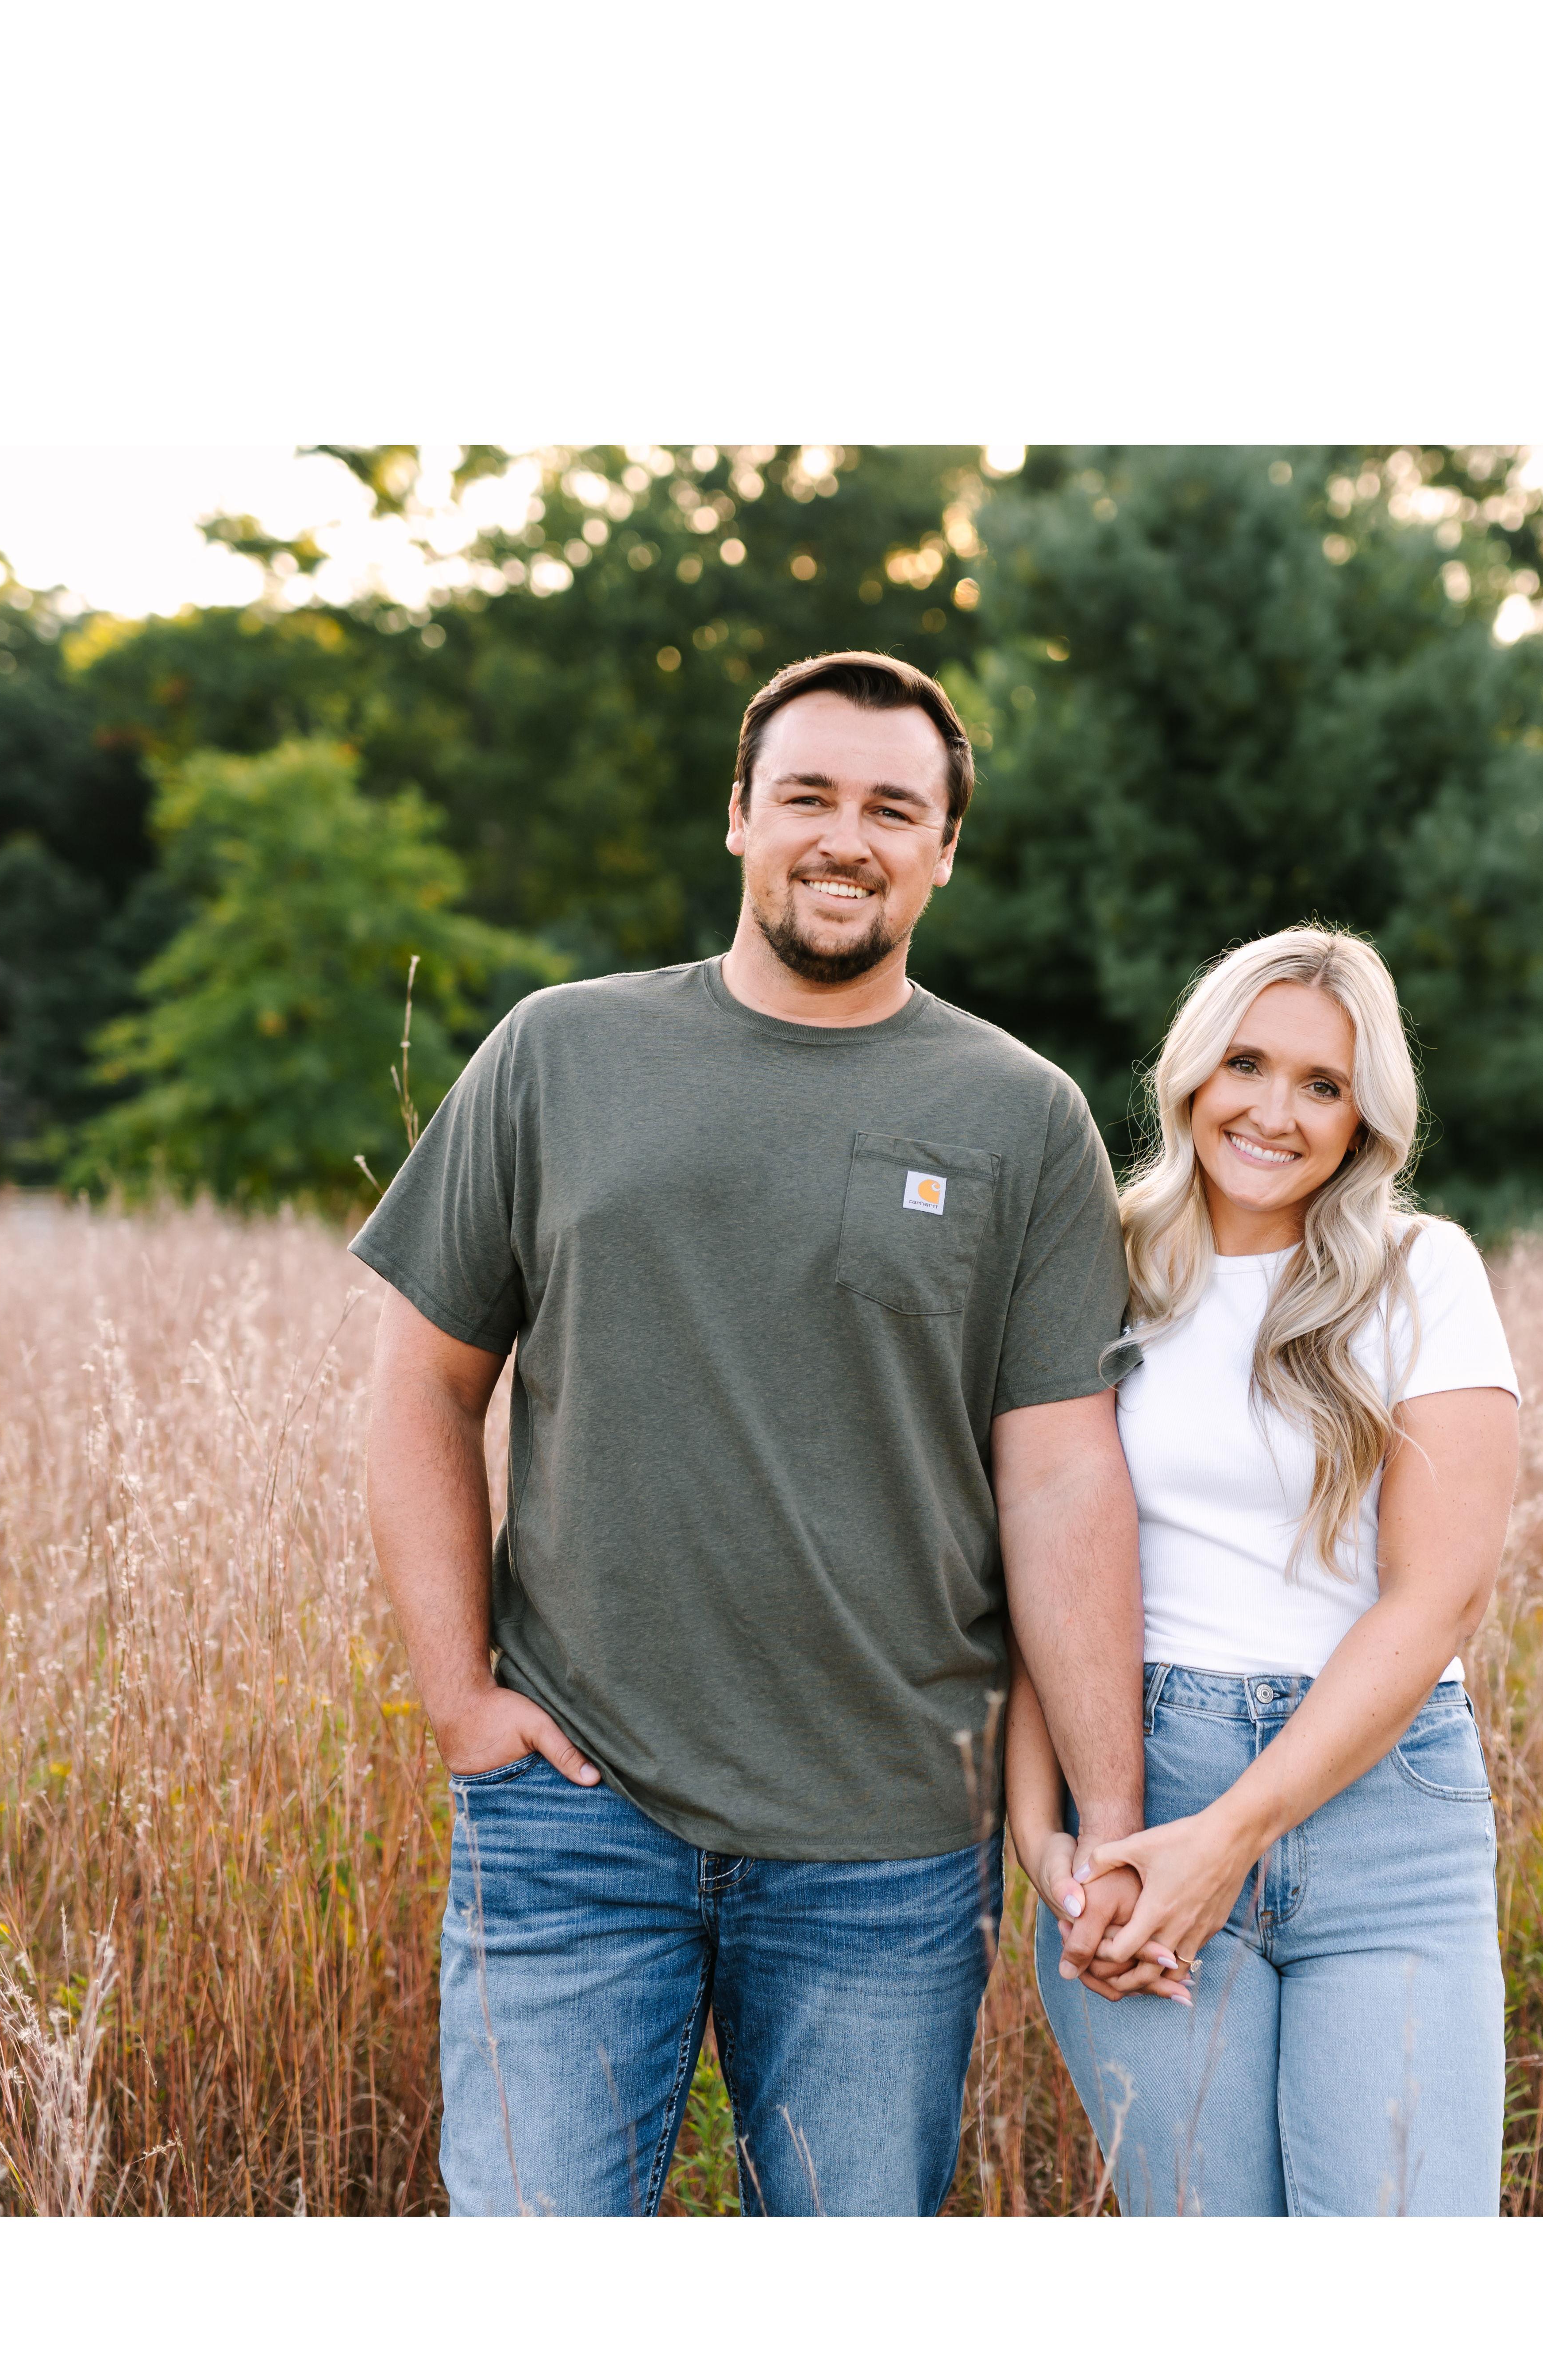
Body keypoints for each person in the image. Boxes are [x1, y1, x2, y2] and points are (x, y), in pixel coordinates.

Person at [356, 650, 1160, 2218]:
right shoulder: (559, 1053)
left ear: (945, 849)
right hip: (577, 1822)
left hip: (889, 1846)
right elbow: (420, 1387)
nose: (845, 838)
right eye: (808, 796)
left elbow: (1065, 1476)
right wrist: (459, 1701)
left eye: (893, 809)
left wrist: (1109, 1814)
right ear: (739, 815)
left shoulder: (1021, 1114)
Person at [1006, 926, 1522, 2214]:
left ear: (1365, 1120)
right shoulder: (1094, 1263)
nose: (1275, 1114)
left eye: (1323, 1085)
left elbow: (1441, 1596)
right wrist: (1041, 1833)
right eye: (1247, 1064)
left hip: (1382, 1811)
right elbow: (1041, 1554)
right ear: (1192, 1071)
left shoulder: (1422, 1272)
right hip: (1141, 1784)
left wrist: (1230, 1837)